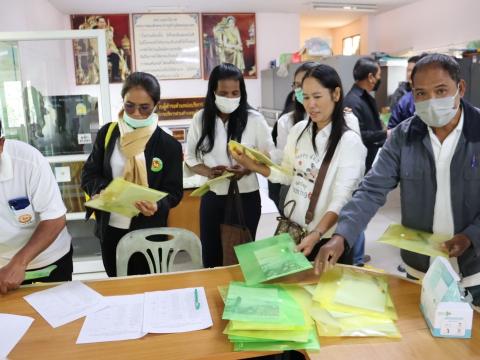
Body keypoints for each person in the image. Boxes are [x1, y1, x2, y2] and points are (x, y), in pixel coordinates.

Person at [316, 54, 480, 306]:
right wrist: (342, 235)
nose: (431, 101)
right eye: (421, 94)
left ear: (461, 88)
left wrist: (470, 236)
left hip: (474, 271)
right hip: (420, 270)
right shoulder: (404, 137)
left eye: (441, 90)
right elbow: (371, 190)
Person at [231, 64, 366, 268]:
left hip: (326, 239)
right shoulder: (299, 130)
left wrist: (317, 233)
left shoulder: (349, 143)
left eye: (317, 96)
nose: (310, 104)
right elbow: (287, 174)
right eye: (306, 96)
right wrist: (253, 165)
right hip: (293, 231)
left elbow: (342, 199)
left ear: (336, 94)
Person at [81, 72, 183, 277]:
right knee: (116, 284)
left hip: (148, 230)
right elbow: (89, 174)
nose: (135, 113)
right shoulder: (107, 134)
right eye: (129, 105)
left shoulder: (168, 145)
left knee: (147, 287)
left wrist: (157, 205)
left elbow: (173, 192)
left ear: (155, 105)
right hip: (111, 229)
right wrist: (103, 190)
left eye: (144, 108)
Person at [185, 63, 274, 267]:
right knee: (212, 256)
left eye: (235, 92)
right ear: (213, 92)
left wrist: (247, 166)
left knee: (242, 258)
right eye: (224, 93)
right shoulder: (201, 119)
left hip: (246, 198)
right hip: (213, 197)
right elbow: (190, 158)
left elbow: (269, 155)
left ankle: (240, 296)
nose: (230, 98)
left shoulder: (254, 119)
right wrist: (209, 171)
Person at [0, 119, 73, 294]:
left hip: (47, 261)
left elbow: (55, 219)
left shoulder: (28, 161)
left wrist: (19, 262)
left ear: (1, 144)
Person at [269, 62, 318, 210]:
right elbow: (284, 162)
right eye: (296, 85)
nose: (299, 90)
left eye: (303, 84)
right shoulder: (287, 121)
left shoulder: (342, 120)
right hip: (295, 190)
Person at [344, 56, 386, 173]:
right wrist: (384, 134)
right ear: (371, 77)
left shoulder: (365, 98)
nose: (379, 79)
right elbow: (358, 135)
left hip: (371, 159)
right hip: (361, 164)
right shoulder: (352, 101)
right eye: (379, 75)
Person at [388, 54, 427, 130]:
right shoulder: (401, 95)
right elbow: (393, 125)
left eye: (413, 70)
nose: (410, 74)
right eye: (408, 70)